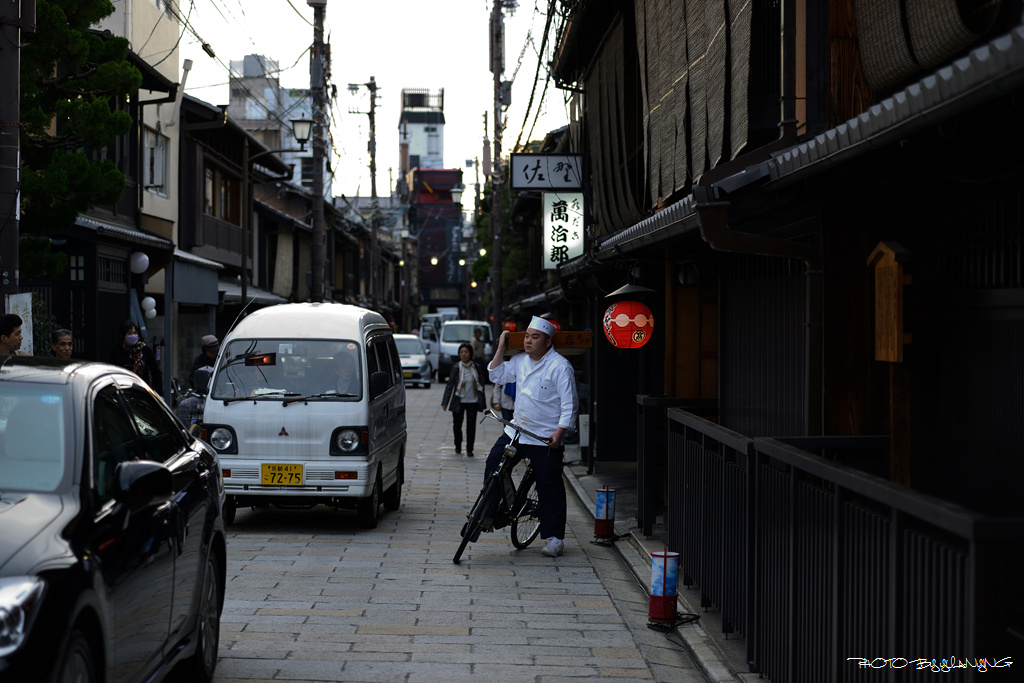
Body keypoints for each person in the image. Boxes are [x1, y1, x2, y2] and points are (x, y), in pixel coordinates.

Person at [486, 316, 577, 558]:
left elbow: (570, 405)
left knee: (551, 486)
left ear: (548, 342)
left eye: (535, 337)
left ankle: (555, 538)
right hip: (516, 431)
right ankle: (495, 510)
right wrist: (501, 348)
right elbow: (495, 376)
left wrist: (559, 433)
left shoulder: (560, 366)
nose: (528, 341)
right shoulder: (519, 361)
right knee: (494, 462)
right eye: (526, 336)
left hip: (544, 436)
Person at [441, 343, 484, 457]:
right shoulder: (456, 368)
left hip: (472, 401)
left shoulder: (476, 367)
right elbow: (449, 385)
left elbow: (481, 385)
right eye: (461, 352)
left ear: (470, 354)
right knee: (457, 425)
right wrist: (445, 402)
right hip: (458, 401)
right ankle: (458, 446)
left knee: (471, 426)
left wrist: (482, 402)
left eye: (466, 352)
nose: (464, 354)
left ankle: (470, 449)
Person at [108, 319, 163, 390]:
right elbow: (112, 371)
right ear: (122, 336)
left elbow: (156, 372)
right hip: (124, 391)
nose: (133, 336)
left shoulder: (145, 349)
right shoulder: (118, 350)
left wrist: (158, 393)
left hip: (142, 391)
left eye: (134, 333)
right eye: (129, 333)